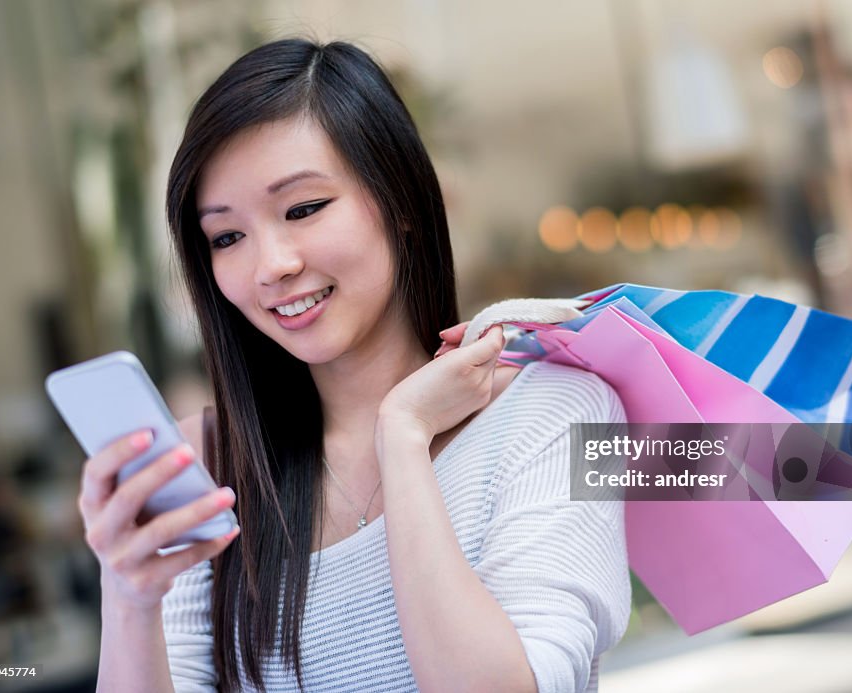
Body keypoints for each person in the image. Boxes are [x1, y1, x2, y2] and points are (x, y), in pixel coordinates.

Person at [76, 38, 630, 692]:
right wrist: (129, 597)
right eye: (227, 236)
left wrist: (402, 435)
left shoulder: (564, 411)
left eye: (303, 208)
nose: (270, 265)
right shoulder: (208, 464)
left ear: (399, 202)